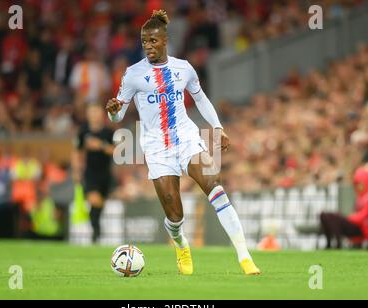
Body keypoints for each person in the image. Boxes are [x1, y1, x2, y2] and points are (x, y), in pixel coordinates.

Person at [106, 10, 260, 275]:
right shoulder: (132, 74)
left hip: (187, 138)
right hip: (156, 147)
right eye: (144, 42)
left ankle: (245, 257)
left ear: (165, 40)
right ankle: (180, 243)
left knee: (214, 185)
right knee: (175, 215)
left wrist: (218, 127)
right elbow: (118, 113)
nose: (148, 46)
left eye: (153, 41)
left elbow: (200, 99)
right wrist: (112, 111)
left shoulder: (183, 68)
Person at [72, 104, 115, 243]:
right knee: (95, 200)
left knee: (99, 205)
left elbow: (117, 152)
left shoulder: (108, 132)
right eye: (92, 112)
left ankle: (96, 231)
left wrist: (101, 145)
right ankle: (96, 233)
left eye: (97, 111)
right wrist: (76, 170)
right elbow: (77, 151)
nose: (94, 115)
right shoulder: (83, 131)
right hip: (90, 173)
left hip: (105, 174)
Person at [320, 166, 368, 249]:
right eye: (357, 184)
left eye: (360, 184)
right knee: (324, 215)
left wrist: (349, 218)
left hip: (361, 228)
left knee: (333, 218)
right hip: (356, 225)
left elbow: (363, 216)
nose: (359, 187)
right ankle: (330, 243)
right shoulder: (359, 198)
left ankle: (337, 243)